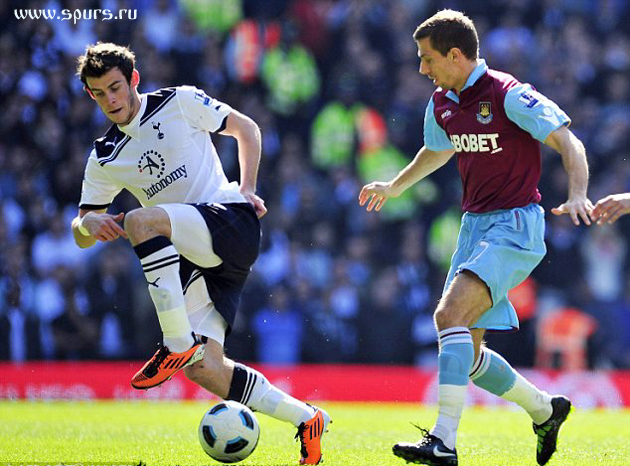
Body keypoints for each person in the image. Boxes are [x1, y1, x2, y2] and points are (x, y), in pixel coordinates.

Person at [72, 43, 329, 465]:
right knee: (204, 368)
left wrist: (246, 187)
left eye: (116, 87)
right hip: (195, 258)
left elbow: (246, 127)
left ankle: (175, 343)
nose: (111, 99)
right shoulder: (103, 157)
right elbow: (81, 227)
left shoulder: (179, 101)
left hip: (230, 221)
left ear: (134, 79)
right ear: (90, 95)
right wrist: (87, 226)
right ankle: (308, 419)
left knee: (140, 221)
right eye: (99, 93)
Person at [359, 10, 592, 466]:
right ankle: (546, 410)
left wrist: (579, 193)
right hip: (474, 228)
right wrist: (394, 186)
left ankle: (443, 440)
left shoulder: (508, 95)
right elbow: (436, 149)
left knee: (448, 317)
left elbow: (569, 141)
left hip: (515, 225)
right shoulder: (443, 101)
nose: (422, 69)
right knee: (467, 354)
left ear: (456, 54)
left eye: (428, 60)